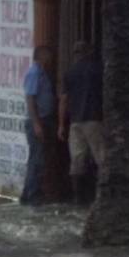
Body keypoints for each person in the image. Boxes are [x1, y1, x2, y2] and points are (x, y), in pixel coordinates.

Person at [58, 41, 104, 205]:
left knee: (77, 160)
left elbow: (64, 100)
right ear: (89, 52)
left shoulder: (69, 73)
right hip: (94, 120)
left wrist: (62, 125)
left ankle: (78, 198)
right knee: (101, 158)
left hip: (75, 122)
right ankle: (102, 198)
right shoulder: (98, 70)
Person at [20, 45, 56, 206]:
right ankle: (32, 196)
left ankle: (28, 194)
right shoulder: (35, 73)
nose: (51, 59)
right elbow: (30, 98)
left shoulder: (42, 73)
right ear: (41, 56)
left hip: (43, 119)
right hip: (38, 120)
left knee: (37, 158)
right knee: (37, 159)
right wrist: (36, 124)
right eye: (48, 55)